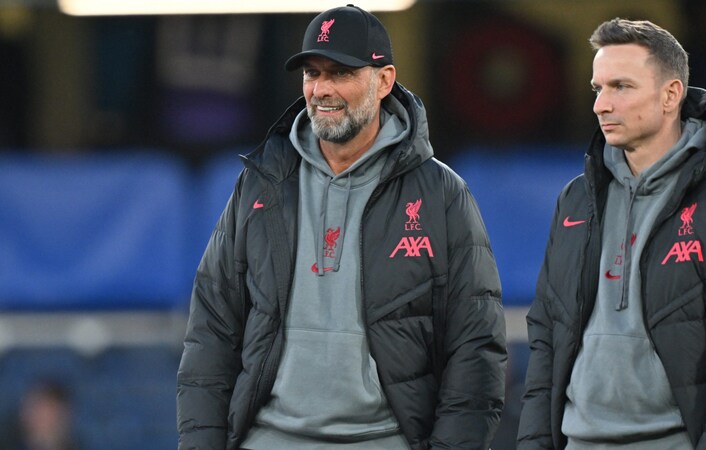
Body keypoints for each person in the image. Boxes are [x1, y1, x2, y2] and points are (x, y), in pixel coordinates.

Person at [176, 5, 507, 450]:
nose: (322, 89)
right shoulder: (262, 184)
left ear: (384, 80)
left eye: (341, 73)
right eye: (313, 73)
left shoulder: (440, 193)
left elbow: (476, 346)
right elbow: (211, 333)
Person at [517, 18, 706, 449]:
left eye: (620, 87)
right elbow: (547, 334)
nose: (601, 105)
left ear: (670, 95)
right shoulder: (576, 200)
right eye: (598, 88)